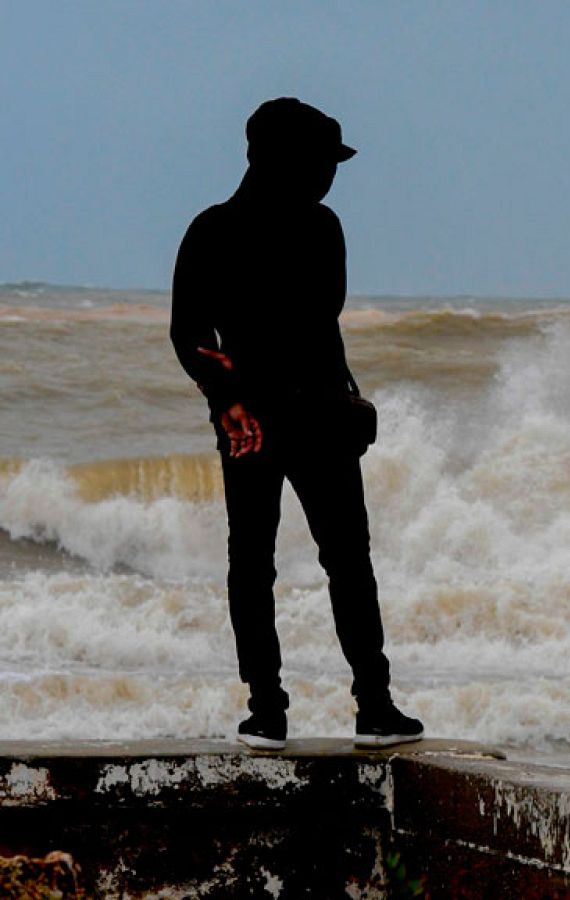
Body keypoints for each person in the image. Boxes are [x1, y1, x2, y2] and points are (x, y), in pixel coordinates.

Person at [170, 97, 423, 750]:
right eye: (321, 162)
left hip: (299, 415)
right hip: (264, 418)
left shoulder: (314, 228)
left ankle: (363, 706)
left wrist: (351, 399)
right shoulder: (221, 230)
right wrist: (226, 402)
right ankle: (275, 708)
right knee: (280, 563)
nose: (330, 176)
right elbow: (191, 333)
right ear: (279, 159)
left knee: (323, 563)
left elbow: (317, 331)